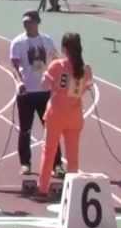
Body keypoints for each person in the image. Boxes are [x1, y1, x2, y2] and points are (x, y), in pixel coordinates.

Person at [37, 33, 94, 197]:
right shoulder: (86, 69)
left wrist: (46, 69)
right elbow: (86, 88)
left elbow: (44, 85)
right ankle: (73, 191)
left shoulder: (56, 65)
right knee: (73, 155)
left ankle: (43, 188)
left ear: (64, 48)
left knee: (49, 152)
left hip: (56, 114)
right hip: (74, 115)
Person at [10, 11, 62, 177]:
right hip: (27, 92)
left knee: (51, 128)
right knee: (25, 129)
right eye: (24, 22)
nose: (27, 25)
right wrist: (20, 81)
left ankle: (57, 163)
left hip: (45, 92)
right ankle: (25, 163)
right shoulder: (18, 42)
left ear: (37, 22)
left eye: (30, 22)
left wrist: (56, 82)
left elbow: (55, 61)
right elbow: (15, 64)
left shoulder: (46, 41)